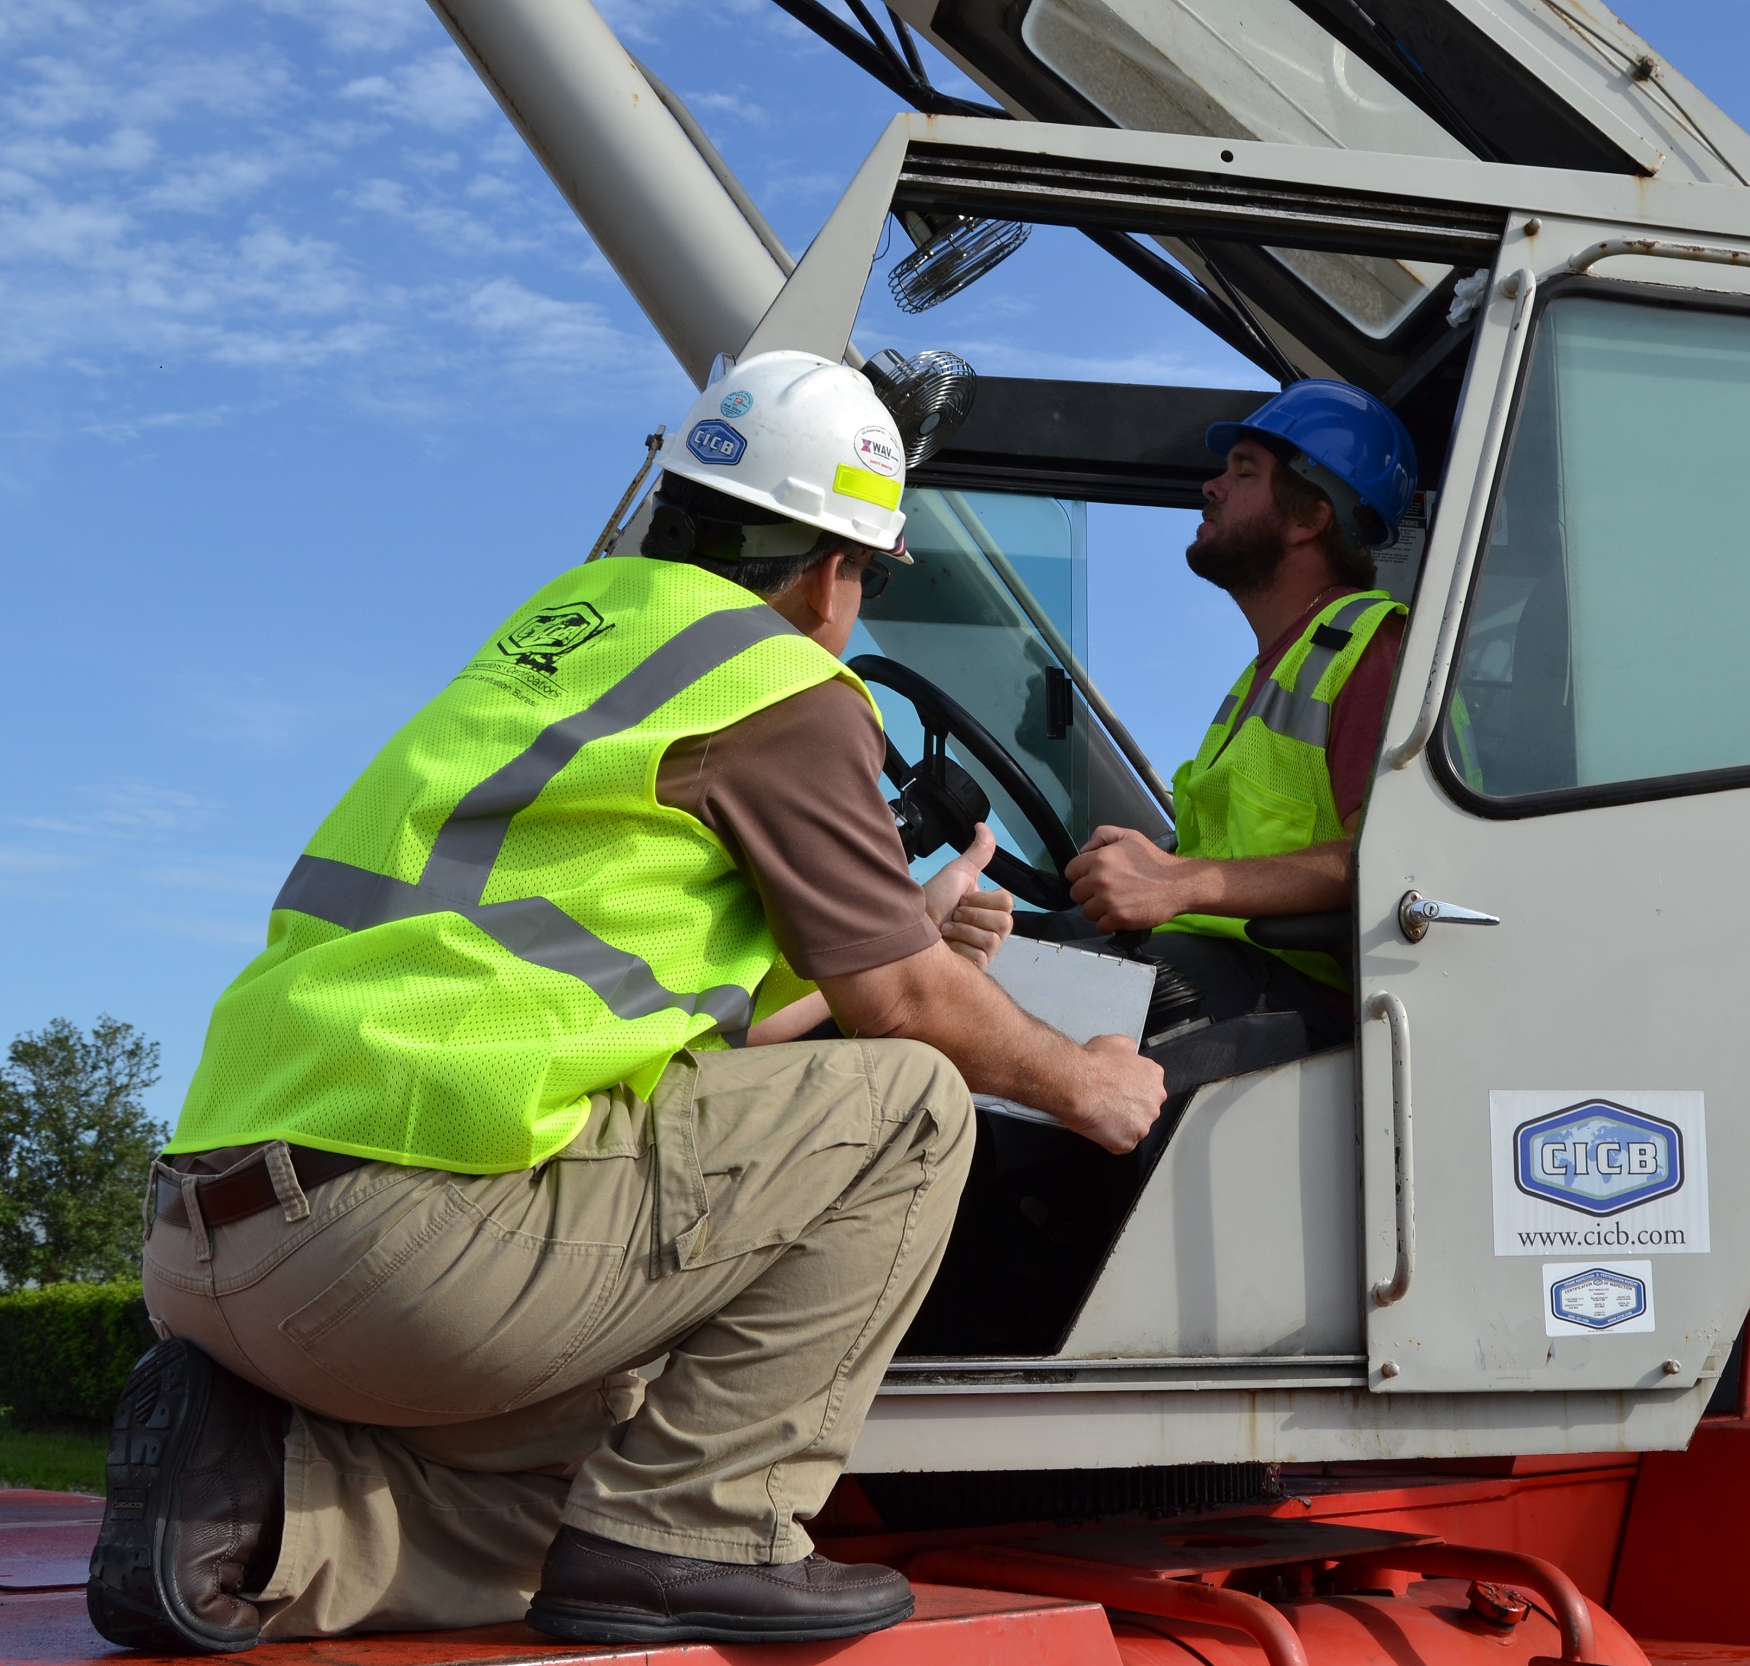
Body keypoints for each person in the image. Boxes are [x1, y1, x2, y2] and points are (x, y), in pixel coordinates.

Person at [90, 349, 1165, 1655]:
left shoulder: (572, 633)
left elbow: (709, 1046)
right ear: (835, 570)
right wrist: (1088, 1078)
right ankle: (705, 1534)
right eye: (870, 577)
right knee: (917, 1108)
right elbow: (900, 1012)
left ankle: (258, 1510)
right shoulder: (783, 686)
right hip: (396, 1248)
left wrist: (909, 929)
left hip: (221, 1238)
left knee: (611, 1467)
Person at [1065, 380, 1418, 1050]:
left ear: (1308, 518)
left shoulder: (1372, 649)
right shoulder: (1273, 670)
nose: (1212, 488)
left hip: (1296, 997)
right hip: (1224, 964)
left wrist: (1177, 882)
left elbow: (1393, 864)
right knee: (987, 960)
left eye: (1244, 472)